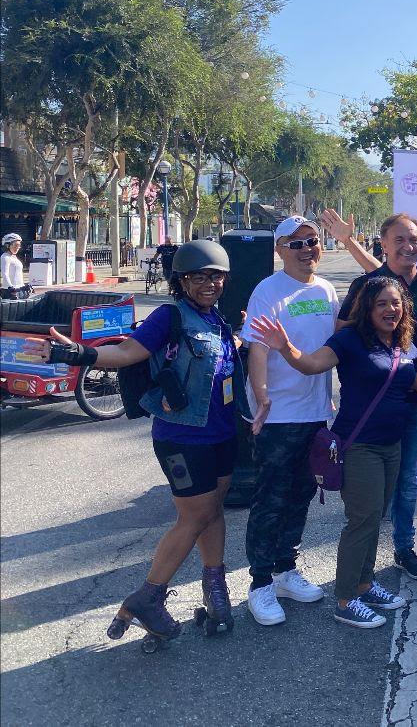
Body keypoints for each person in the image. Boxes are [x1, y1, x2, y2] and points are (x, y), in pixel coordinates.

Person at [35, 240, 249, 644]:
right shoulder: (170, 316)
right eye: (197, 276)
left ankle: (215, 589)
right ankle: (149, 596)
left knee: (213, 510)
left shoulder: (216, 320)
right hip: (182, 436)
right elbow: (129, 352)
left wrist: (242, 337)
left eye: (215, 275)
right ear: (181, 280)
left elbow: (221, 357)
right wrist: (80, 354)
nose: (208, 283)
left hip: (221, 433)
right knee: (194, 517)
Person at [250, 276, 417, 627]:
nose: (390, 310)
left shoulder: (404, 344)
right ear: (367, 308)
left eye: (395, 303)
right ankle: (346, 599)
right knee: (361, 520)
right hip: (358, 445)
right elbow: (312, 365)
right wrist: (286, 346)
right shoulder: (349, 340)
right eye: (381, 303)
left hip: (390, 446)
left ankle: (364, 584)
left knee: (375, 516)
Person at [241, 216, 337, 626]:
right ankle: (260, 583)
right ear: (279, 250)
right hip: (278, 416)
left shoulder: (328, 289)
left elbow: (336, 347)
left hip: (316, 413)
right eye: (295, 244)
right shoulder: (269, 290)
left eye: (312, 242)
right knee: (271, 500)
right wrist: (262, 397)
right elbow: (258, 349)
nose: (306, 250)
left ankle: (286, 569)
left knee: (301, 494)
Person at [336, 212, 417, 580]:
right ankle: (361, 567)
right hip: (373, 404)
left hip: (414, 401)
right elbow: (343, 332)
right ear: (384, 244)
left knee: (407, 479)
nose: (408, 247)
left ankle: (403, 547)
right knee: (373, 495)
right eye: (400, 240)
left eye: (414, 240)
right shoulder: (368, 284)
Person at [2, 233, 31, 299]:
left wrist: (24, 286)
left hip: (20, 289)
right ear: (7, 245)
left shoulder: (14, 257)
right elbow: (5, 274)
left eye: (19, 245)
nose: (17, 248)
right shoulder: (5, 257)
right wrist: (11, 287)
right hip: (10, 291)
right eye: (15, 245)